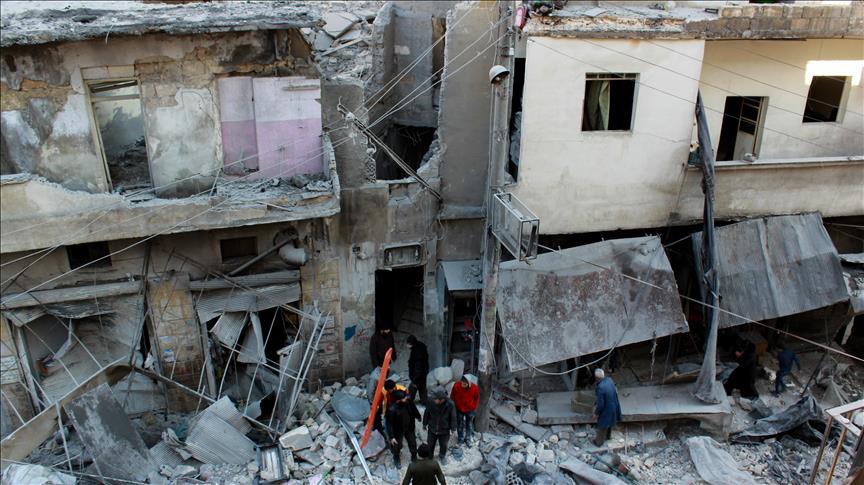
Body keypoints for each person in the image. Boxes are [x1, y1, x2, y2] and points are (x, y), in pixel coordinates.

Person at [387, 390, 421, 468]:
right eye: (404, 398)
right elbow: (389, 424)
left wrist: (418, 416)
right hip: (398, 430)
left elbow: (414, 409)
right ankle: (396, 457)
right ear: (398, 400)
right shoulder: (392, 410)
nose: (406, 398)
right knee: (396, 445)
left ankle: (414, 456)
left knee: (412, 442)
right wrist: (391, 437)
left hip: (409, 426)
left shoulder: (408, 402)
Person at [423, 387, 456, 464]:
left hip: (444, 429)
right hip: (432, 428)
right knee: (430, 444)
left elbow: (453, 416)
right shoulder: (431, 402)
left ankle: (442, 456)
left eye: (436, 399)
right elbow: (426, 413)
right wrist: (424, 423)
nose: (434, 400)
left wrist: (453, 428)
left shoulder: (450, 404)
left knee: (443, 445)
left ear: (442, 400)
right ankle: (430, 457)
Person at [592, 368, 622, 447]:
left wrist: (596, 413)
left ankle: (598, 442)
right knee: (609, 422)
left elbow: (601, 405)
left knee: (602, 425)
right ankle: (608, 437)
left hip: (607, 409)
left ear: (597, 378)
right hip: (614, 405)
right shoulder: (609, 380)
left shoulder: (600, 388)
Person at [450, 376, 480, 444]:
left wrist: (474, 407)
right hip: (459, 408)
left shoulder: (474, 388)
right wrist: (453, 406)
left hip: (470, 410)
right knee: (459, 424)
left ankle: (468, 438)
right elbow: (452, 396)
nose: (463, 385)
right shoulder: (456, 385)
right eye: (462, 383)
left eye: (465, 384)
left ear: (469, 383)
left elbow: (477, 398)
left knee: (469, 424)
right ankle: (460, 438)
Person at [407, 335, 430, 404]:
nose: (407, 345)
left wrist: (415, 380)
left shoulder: (417, 353)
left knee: (412, 389)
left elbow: (418, 368)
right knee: (422, 388)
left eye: (408, 344)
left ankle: (408, 402)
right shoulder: (420, 346)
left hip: (417, 375)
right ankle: (424, 401)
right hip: (423, 372)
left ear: (412, 344)